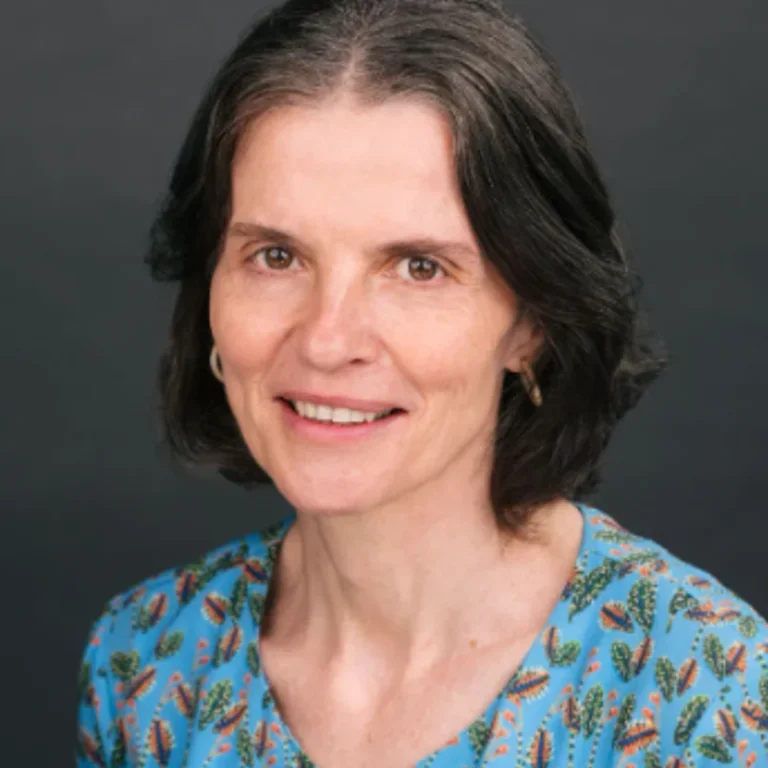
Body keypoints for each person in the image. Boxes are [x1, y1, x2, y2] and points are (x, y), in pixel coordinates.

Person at [75, 1, 767, 766]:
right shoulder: (143, 664)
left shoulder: (701, 686)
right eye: (276, 256)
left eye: (418, 267)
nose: (327, 339)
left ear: (534, 319)